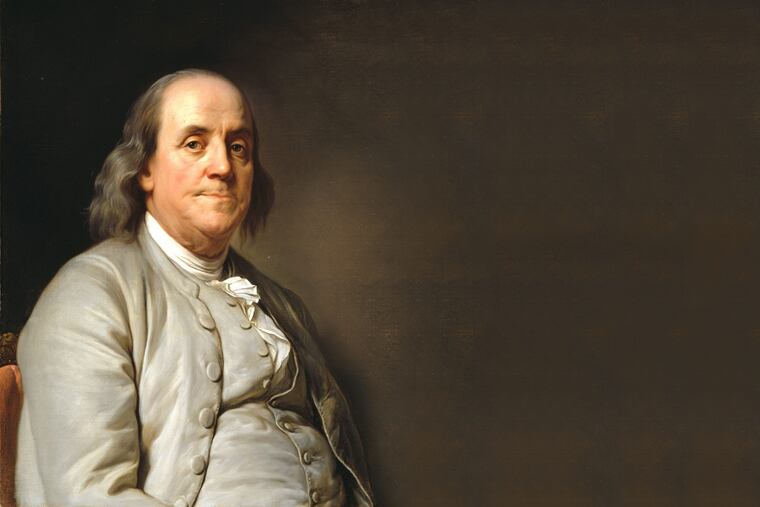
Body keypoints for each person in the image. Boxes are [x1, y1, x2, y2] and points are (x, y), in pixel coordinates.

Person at [15, 69, 374, 507]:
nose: (222, 167)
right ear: (144, 169)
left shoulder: (283, 305)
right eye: (194, 144)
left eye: (238, 147)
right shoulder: (90, 294)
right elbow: (89, 494)